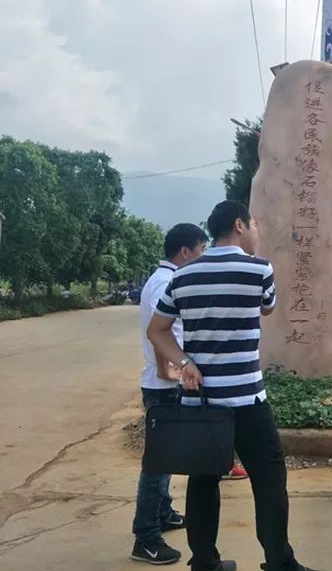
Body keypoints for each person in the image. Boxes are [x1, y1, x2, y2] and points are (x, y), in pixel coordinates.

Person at [148, 200, 316, 571]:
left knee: (204, 480)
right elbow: (268, 308)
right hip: (247, 400)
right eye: (254, 225)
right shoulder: (259, 270)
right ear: (239, 225)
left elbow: (156, 331)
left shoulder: (183, 276)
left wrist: (186, 362)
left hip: (200, 401)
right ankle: (278, 561)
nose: (257, 231)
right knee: (269, 478)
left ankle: (205, 562)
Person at [131, 223, 208, 565]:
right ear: (186, 252)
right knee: (157, 465)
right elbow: (160, 333)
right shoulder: (166, 282)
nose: (202, 257)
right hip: (163, 385)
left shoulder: (163, 278)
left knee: (166, 458)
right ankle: (146, 537)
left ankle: (163, 512)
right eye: (201, 250)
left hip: (164, 381)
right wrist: (167, 371)